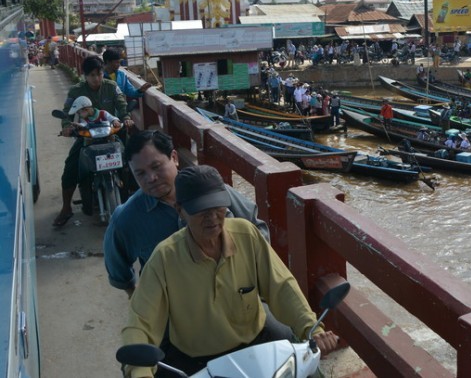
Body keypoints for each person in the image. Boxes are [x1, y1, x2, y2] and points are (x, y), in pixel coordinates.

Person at [120, 165, 338, 377]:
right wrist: (138, 371)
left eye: (218, 207)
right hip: (193, 360)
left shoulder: (247, 234)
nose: (213, 217)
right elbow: (141, 321)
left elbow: (281, 286)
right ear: (180, 211)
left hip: (256, 347)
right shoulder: (164, 257)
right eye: (201, 210)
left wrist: (313, 329)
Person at [103, 130, 271, 296]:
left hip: (233, 294)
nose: (151, 178)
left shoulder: (208, 187)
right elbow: (118, 267)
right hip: (174, 309)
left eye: (156, 166)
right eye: (140, 173)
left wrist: (248, 275)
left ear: (174, 158)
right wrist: (137, 298)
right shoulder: (127, 218)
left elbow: (257, 228)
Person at [54, 56, 131, 227]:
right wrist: (67, 126)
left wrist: (125, 117)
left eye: (99, 74)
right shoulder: (76, 91)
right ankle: (66, 208)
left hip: (111, 134)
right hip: (86, 138)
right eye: (92, 75)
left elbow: (121, 104)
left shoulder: (111, 86)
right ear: (85, 76)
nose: (96, 78)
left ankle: (137, 199)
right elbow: (67, 112)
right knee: (71, 167)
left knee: (133, 159)